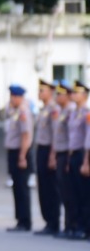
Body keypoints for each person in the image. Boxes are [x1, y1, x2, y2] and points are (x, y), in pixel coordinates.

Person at [2, 84, 33, 233]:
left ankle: (25, 221)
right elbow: (5, 113)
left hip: (21, 153)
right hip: (13, 152)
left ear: (20, 97)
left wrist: (22, 156)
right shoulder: (14, 111)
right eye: (11, 96)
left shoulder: (23, 112)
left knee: (22, 188)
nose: (11, 99)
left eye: (14, 96)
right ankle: (20, 219)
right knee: (16, 188)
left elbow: (26, 136)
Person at [34, 78, 60, 236]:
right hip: (41, 149)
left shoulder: (53, 109)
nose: (39, 93)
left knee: (51, 188)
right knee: (43, 187)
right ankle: (48, 221)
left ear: (50, 92)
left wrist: (52, 155)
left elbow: (56, 134)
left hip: (49, 150)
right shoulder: (43, 109)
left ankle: (53, 222)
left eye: (42, 90)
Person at [50, 82, 76, 238]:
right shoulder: (62, 111)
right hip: (61, 153)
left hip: (67, 153)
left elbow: (72, 137)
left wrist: (68, 158)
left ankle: (71, 225)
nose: (57, 96)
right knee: (63, 192)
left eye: (60, 94)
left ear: (68, 96)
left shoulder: (71, 111)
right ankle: (67, 225)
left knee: (69, 193)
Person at [65, 81, 90, 242]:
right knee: (75, 193)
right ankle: (78, 226)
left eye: (76, 92)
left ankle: (85, 228)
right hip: (74, 155)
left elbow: (88, 139)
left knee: (84, 194)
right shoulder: (74, 113)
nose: (73, 95)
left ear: (84, 95)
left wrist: (86, 162)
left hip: (83, 155)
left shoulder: (87, 113)